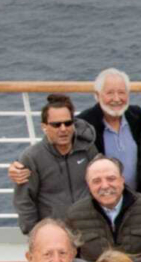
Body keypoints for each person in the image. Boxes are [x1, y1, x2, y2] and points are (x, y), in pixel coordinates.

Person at [12, 94, 98, 233]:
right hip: (53, 233)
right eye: (56, 124)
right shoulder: (31, 158)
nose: (63, 129)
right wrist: (34, 233)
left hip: (89, 229)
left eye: (68, 123)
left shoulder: (88, 149)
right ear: (44, 127)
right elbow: (24, 201)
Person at [66, 156, 141, 262]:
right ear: (88, 185)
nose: (105, 186)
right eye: (96, 181)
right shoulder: (75, 216)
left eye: (111, 179)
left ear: (122, 180)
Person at [79, 68, 141, 189]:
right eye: (110, 93)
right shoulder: (84, 123)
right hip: (101, 198)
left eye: (121, 92)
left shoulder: (137, 116)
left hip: (136, 200)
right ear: (97, 95)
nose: (116, 99)